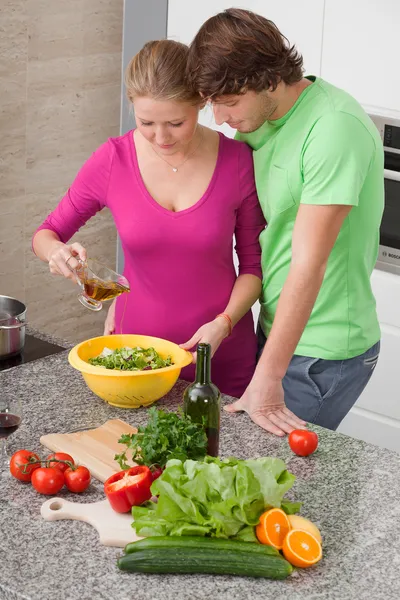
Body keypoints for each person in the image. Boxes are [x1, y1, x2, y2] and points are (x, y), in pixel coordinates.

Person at [32, 39, 267, 398]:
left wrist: (224, 324)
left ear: (201, 101)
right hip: (137, 358)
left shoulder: (237, 161)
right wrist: (56, 254)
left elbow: (253, 266)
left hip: (219, 355)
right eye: (146, 123)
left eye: (176, 122)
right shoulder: (113, 160)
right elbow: (47, 233)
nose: (161, 137)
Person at [187, 8, 384, 435]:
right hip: (279, 330)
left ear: (269, 78)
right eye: (212, 104)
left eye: (230, 102)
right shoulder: (261, 121)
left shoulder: (333, 128)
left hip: (324, 351)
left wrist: (269, 376)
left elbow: (309, 263)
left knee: (275, 481)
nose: (220, 118)